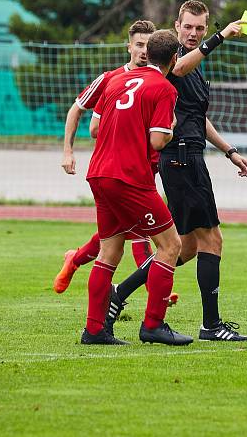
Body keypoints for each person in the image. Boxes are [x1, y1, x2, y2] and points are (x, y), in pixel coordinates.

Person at [103, 0, 247, 342]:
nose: (194, 33)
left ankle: (118, 293)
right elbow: (182, 67)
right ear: (176, 26)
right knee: (211, 240)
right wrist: (218, 37)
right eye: (188, 26)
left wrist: (229, 150)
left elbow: (196, 117)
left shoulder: (194, 64)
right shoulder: (171, 62)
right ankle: (211, 325)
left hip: (188, 156)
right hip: (182, 158)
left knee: (183, 248)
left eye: (200, 27)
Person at [83, 29, 190, 346]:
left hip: (99, 173)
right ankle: (153, 324)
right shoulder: (164, 88)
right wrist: (169, 128)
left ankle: (94, 330)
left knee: (109, 251)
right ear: (174, 58)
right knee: (171, 246)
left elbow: (95, 127)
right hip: (130, 177)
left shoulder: (116, 80)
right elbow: (158, 139)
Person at [55, 20, 158, 294]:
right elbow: (79, 114)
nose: (144, 51)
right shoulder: (110, 78)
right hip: (117, 169)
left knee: (117, 234)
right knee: (140, 230)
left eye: (149, 45)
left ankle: (75, 259)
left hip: (145, 166)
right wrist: (68, 151)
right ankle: (155, 291)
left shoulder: (158, 80)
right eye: (139, 45)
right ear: (129, 47)